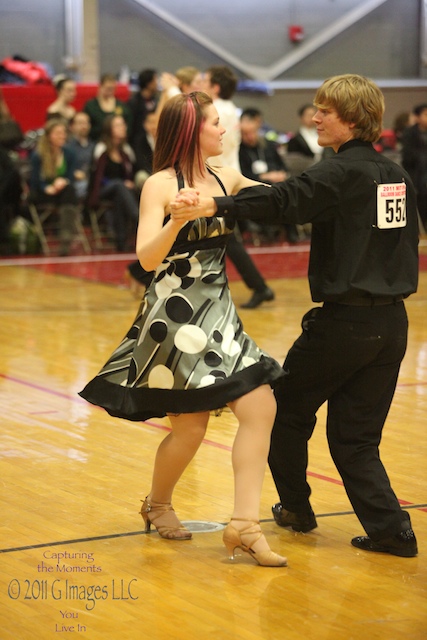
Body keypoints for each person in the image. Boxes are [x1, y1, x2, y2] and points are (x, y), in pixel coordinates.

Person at [170, 74, 419, 558]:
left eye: (325, 110)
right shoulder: (396, 176)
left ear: (350, 119)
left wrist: (216, 203)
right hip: (391, 326)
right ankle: (392, 532)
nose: (315, 117)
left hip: (344, 325)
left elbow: (284, 201)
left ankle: (297, 510)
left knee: (282, 412)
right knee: (356, 437)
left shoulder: (340, 173)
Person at [79, 91, 287, 567]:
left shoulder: (226, 177)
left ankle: (244, 525)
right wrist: (177, 218)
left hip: (219, 311)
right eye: (216, 123)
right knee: (190, 430)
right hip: (174, 318)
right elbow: (147, 259)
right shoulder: (158, 184)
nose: (223, 129)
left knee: (260, 405)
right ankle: (157, 504)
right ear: (194, 131)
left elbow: (280, 202)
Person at [203, 65, 275, 309]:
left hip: (217, 181)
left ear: (215, 86)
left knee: (227, 240)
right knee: (224, 240)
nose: (201, 83)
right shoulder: (232, 109)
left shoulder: (215, 110)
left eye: (205, 80)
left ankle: (260, 287)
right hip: (227, 177)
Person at [239, 107, 299, 244]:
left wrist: (281, 174)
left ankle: (290, 230)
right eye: (246, 134)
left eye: (253, 133)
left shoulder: (268, 146)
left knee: (288, 191)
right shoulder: (240, 151)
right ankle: (268, 228)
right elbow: (244, 174)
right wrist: (265, 177)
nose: (250, 137)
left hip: (278, 183)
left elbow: (283, 166)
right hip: (257, 184)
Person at [29, 118, 81, 256]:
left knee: (70, 190)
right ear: (49, 135)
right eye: (58, 133)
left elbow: (70, 176)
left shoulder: (69, 153)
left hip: (62, 192)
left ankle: (65, 237)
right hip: (43, 193)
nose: (62, 136)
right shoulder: (38, 155)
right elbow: (34, 181)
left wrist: (63, 181)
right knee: (67, 193)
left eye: (63, 133)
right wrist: (46, 187)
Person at [88, 114, 139, 252]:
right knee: (118, 185)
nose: (123, 127)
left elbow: (131, 173)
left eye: (123, 124)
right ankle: (137, 216)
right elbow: (97, 177)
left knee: (119, 195)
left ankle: (121, 241)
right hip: (102, 190)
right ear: (109, 129)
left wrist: (127, 183)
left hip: (120, 192)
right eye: (118, 125)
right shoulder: (101, 148)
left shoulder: (126, 150)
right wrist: (123, 183)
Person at [401, 103, 427, 228]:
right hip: (418, 178)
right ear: (417, 117)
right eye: (426, 114)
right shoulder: (409, 134)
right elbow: (407, 159)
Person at [83, 73, 131, 142]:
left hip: (118, 142)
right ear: (100, 87)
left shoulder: (121, 105)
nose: (110, 91)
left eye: (113, 88)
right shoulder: (91, 105)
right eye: (108, 88)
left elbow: (128, 124)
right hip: (96, 141)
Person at [127, 68, 159, 149]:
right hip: (138, 144)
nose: (157, 84)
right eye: (155, 81)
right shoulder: (134, 103)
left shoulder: (156, 100)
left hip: (155, 141)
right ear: (148, 83)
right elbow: (132, 127)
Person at [66, 111, 95, 200]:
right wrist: (74, 173)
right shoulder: (67, 146)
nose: (84, 126)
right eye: (80, 123)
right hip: (74, 182)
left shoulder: (94, 145)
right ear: (71, 126)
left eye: (86, 123)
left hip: (92, 181)